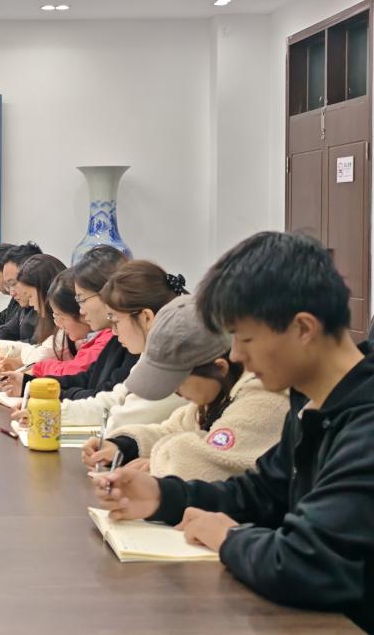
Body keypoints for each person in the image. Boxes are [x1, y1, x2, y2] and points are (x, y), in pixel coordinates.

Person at [92, 232, 374, 632]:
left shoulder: (364, 423)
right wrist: (161, 496)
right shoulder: (310, 402)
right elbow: (261, 492)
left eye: (245, 338)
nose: (236, 354)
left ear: (303, 329)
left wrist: (229, 538)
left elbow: (308, 564)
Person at [81, 295, 287, 480]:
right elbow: (172, 430)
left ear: (220, 368)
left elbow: (208, 465)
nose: (174, 391)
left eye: (178, 381)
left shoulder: (263, 400)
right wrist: (121, 446)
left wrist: (156, 463)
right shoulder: (216, 395)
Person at [12, 259, 188, 430]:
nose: (114, 331)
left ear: (146, 318)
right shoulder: (148, 351)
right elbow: (115, 398)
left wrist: (48, 411)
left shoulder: (171, 359)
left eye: (81, 299)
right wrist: (48, 408)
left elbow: (118, 415)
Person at [0, 245, 130, 399]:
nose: (81, 310)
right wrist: (29, 384)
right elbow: (87, 379)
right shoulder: (113, 337)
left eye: (81, 299)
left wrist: (34, 384)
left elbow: (100, 397)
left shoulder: (117, 339)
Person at [0, 254, 67, 367]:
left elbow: (41, 352)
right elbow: (36, 349)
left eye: (13, 284)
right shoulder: (26, 307)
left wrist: (12, 358)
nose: (12, 293)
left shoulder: (64, 327)